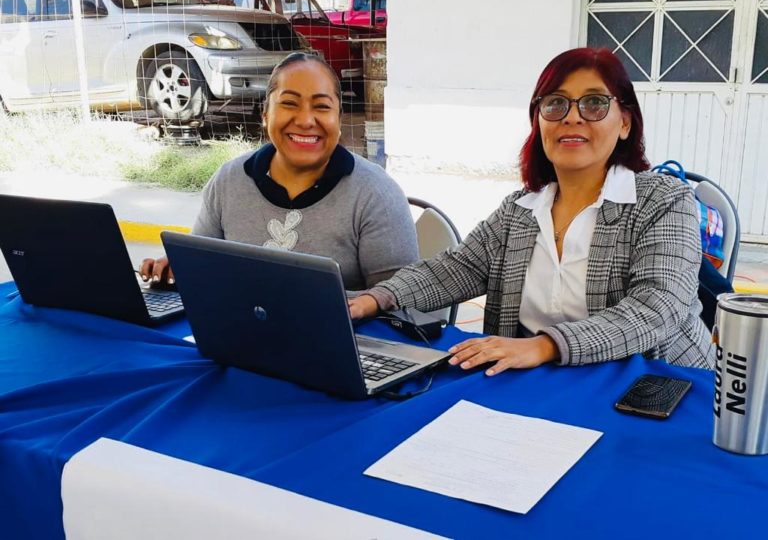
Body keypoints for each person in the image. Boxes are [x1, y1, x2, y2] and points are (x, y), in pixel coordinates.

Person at [350, 47, 713, 373]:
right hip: (542, 388)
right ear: (538, 121)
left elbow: (655, 309)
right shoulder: (520, 210)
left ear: (625, 122)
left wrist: (545, 345)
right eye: (555, 104)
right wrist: (377, 297)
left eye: (594, 103)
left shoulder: (664, 201)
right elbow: (453, 269)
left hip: (657, 390)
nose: (572, 117)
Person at [140, 52, 418, 290]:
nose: (306, 120)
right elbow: (201, 265)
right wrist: (176, 270)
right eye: (289, 103)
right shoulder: (229, 181)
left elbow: (400, 304)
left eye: (322, 106)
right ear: (265, 115)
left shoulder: (376, 195)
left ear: (339, 120)